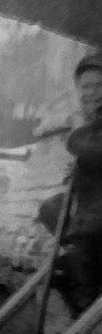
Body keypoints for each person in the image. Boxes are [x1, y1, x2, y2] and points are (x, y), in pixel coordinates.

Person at [46, 53, 102, 317]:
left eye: (99, 85)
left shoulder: (85, 133)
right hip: (89, 230)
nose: (91, 93)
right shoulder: (91, 129)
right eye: (85, 86)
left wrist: (79, 132)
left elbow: (88, 147)